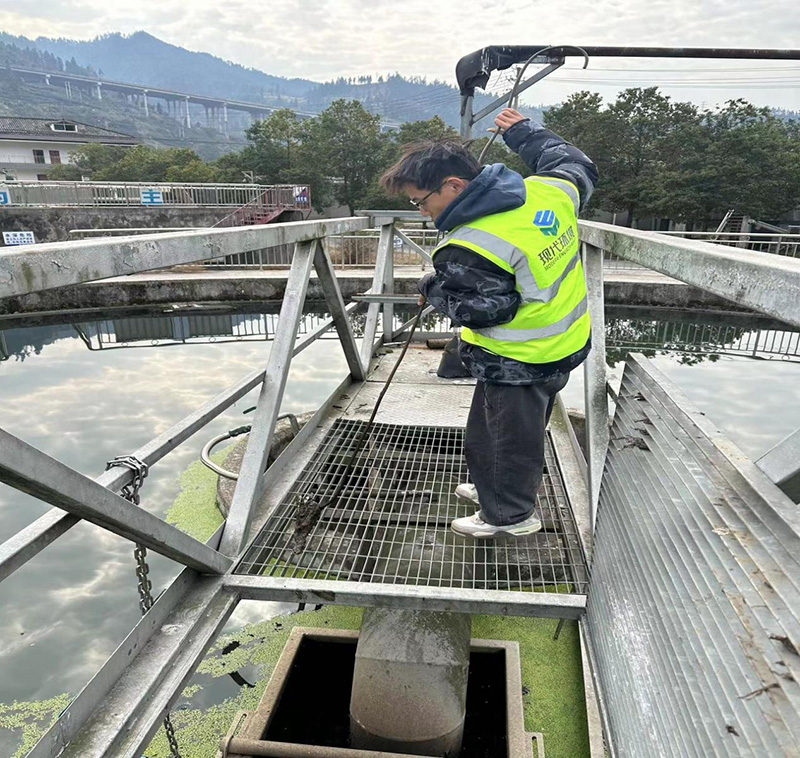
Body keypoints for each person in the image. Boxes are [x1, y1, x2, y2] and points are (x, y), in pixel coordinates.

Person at [379, 108, 598, 539]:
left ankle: (510, 517)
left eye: (420, 201)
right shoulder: (547, 192)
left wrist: (432, 285)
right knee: (496, 428)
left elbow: (483, 311)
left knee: (507, 440)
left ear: (455, 186)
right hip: (566, 341)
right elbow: (575, 163)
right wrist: (521, 132)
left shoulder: (470, 244)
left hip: (518, 359)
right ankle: (491, 488)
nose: (421, 211)